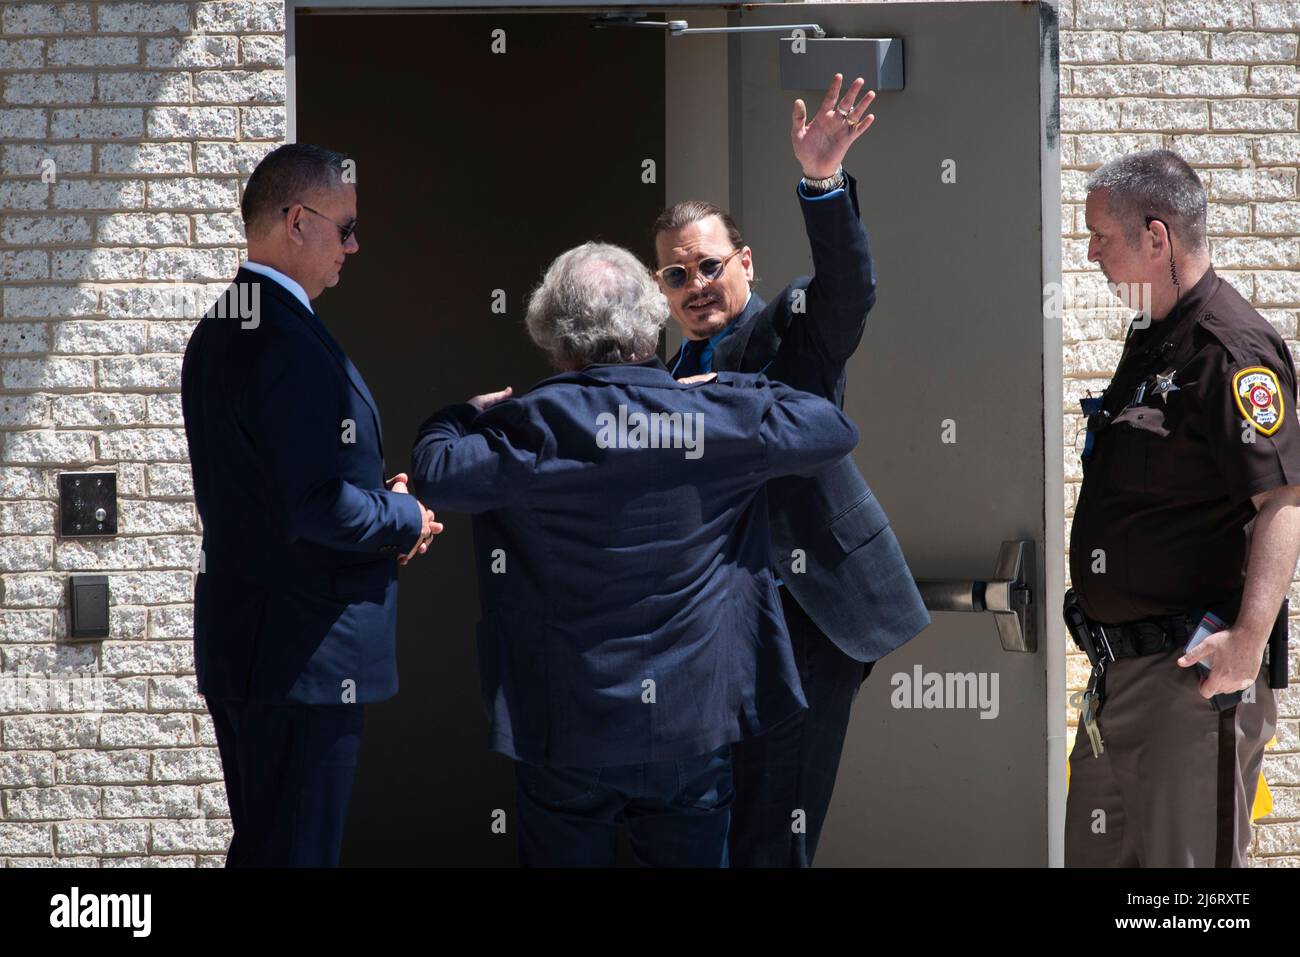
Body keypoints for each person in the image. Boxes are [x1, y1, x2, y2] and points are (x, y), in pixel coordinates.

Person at [409, 241, 859, 867]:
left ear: (554, 334)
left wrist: (459, 415)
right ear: (652, 321)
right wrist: (730, 384)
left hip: (567, 727)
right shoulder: (711, 415)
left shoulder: (530, 425)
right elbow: (832, 428)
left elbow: (433, 471)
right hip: (689, 725)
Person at [652, 74, 929, 867]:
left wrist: (822, 182)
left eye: (708, 266)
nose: (696, 286)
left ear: (744, 262)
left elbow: (849, 291)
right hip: (714, 635)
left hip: (806, 615)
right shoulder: (661, 379)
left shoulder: (784, 334)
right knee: (728, 827)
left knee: (777, 829)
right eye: (676, 275)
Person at [181, 144, 440, 866]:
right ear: (298, 221)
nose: (354, 246)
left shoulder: (222, 325)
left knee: (268, 847)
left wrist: (374, 499)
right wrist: (405, 518)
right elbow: (315, 506)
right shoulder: (283, 338)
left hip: (253, 646)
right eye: (346, 227)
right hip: (303, 655)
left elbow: (276, 488)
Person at [1065, 148, 1300, 867]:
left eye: (1103, 236)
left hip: (1189, 686)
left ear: (1156, 237)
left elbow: (1283, 501)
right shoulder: (1154, 339)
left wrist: (1247, 643)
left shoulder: (1230, 349)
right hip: (1120, 682)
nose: (1093, 254)